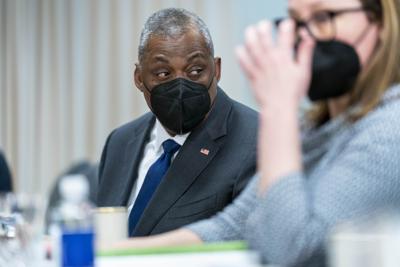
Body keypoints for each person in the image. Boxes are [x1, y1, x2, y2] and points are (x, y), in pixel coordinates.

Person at [115, 0, 400, 266]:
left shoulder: (390, 128)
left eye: (324, 17)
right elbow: (236, 224)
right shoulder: (314, 129)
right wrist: (114, 253)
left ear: (381, 24)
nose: (305, 38)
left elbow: (293, 250)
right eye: (296, 24)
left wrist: (279, 109)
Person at [97, 8, 258, 237]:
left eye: (195, 71)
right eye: (163, 74)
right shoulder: (119, 142)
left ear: (217, 69)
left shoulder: (255, 140)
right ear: (139, 78)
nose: (180, 85)